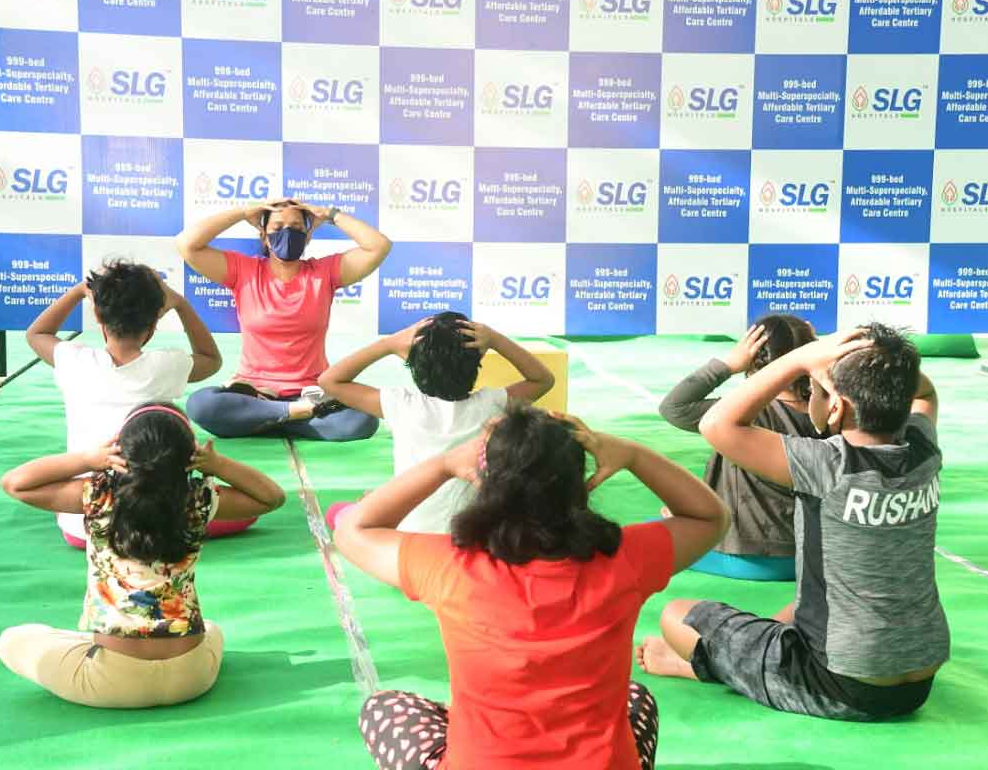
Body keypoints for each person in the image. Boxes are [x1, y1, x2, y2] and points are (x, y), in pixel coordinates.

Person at [334, 403, 730, 769]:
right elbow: (710, 517)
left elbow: (353, 529)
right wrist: (632, 454)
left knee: (384, 708)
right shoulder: (625, 559)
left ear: (484, 480)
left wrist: (443, 465)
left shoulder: (450, 565)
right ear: (581, 484)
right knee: (636, 697)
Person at [638, 324, 948, 722]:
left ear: (836, 406)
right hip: (920, 680)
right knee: (799, 606)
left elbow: (715, 425)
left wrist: (799, 359)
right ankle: (733, 661)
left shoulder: (827, 465)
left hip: (841, 685)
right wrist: (886, 366)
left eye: (814, 388)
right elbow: (925, 393)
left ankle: (706, 667)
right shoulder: (923, 449)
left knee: (678, 616)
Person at [0, 403, 286, 708]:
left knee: (15, 638)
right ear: (189, 457)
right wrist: (218, 465)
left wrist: (86, 459)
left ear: (122, 453)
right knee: (211, 629)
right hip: (193, 676)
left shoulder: (97, 496)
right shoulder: (199, 500)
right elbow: (272, 498)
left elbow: (15, 483)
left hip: (112, 681)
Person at [25, 260, 245, 548]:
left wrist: (80, 291)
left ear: (98, 317)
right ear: (154, 324)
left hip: (85, 526)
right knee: (243, 511)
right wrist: (180, 303)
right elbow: (211, 359)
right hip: (162, 518)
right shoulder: (167, 364)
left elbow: (37, 334)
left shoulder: (73, 360)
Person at [317, 312, 555, 532]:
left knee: (339, 511)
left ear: (413, 363)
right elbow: (543, 379)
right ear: (478, 362)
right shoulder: (493, 403)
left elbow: (330, 381)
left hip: (407, 533)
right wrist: (495, 339)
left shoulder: (400, 404)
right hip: (470, 533)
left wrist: (388, 344)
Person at [178, 198, 390, 441]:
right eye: (277, 228)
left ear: (308, 236)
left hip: (310, 396)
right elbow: (187, 244)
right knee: (201, 405)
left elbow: (378, 246)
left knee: (361, 420)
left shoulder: (325, 272)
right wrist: (244, 212)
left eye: (297, 228)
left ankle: (263, 420)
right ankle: (287, 415)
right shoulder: (244, 271)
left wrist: (331, 214)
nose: (287, 234)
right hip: (254, 393)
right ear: (264, 236)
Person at [658, 315, 819, 581]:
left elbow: (674, 407)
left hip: (749, 559)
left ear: (753, 359)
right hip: (812, 556)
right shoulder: (831, 410)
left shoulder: (734, 417)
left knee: (643, 533)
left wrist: (728, 364)